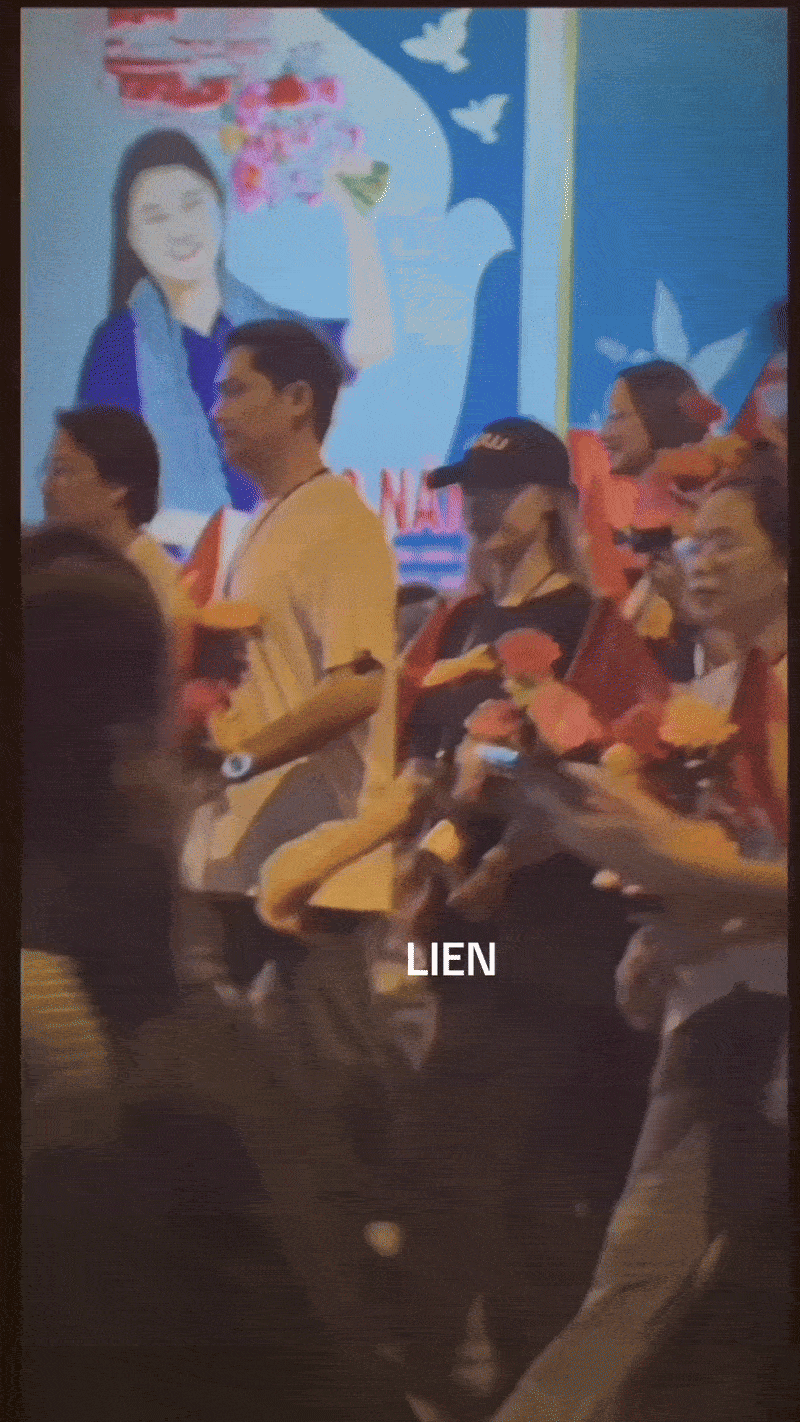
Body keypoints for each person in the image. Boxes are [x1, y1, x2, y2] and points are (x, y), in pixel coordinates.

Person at [21, 527, 417, 1422]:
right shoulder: (139, 1042)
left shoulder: (344, 546)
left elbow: (380, 734)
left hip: (376, 927)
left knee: (371, 1066)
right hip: (284, 915)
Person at [487, 454, 789, 1422]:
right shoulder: (716, 694)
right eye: (691, 543)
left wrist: (677, 873)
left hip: (715, 1010)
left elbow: (718, 859)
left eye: (723, 542)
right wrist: (661, 920)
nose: (697, 561)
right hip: (706, 1006)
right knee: (639, 1280)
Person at [373, 419, 657, 1417]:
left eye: (501, 488)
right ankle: (517, 1382)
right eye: (470, 488)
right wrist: (420, 858)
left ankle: (420, 1374)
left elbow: (601, 778)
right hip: (459, 932)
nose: (479, 506)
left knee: (451, 1145)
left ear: (549, 502)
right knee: (521, 1172)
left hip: (546, 932)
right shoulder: (454, 624)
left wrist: (484, 820)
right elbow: (419, 765)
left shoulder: (591, 626)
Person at [77, 129, 393, 536]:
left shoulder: (271, 328)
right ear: (131, 237)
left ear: (220, 206)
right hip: (166, 569)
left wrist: (357, 216)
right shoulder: (118, 347)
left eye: (192, 205)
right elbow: (99, 491)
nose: (180, 230)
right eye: (155, 217)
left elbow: (372, 343)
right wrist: (224, 537)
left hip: (278, 558)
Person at [42, 405, 181, 622]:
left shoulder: (159, 594)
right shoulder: (70, 574)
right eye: (48, 472)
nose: (47, 488)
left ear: (118, 486)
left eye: (61, 471)